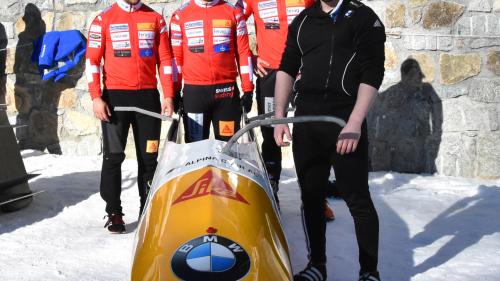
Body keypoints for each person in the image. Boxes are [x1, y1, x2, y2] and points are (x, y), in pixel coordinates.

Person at [273, 0, 386, 280]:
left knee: (357, 198)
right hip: (307, 121)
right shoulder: (304, 20)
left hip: (344, 122)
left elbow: (373, 71)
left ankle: (369, 271)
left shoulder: (363, 17)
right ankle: (317, 265)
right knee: (311, 198)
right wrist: (279, 117)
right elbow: (287, 67)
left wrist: (355, 122)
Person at [237, 0, 335, 220]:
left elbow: (328, 18)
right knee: (272, 135)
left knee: (312, 133)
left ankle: (315, 197)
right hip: (271, 74)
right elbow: (232, 22)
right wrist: (251, 58)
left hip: (305, 73)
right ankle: (273, 192)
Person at [86, 0, 176, 233]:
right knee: (113, 157)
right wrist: (96, 97)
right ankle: (114, 212)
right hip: (115, 100)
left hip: (148, 99)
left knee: (149, 159)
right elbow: (92, 61)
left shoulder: (155, 19)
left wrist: (168, 95)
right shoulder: (103, 19)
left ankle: (147, 210)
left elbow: (165, 60)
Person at [169, 0, 254, 143]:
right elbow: (175, 59)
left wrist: (248, 89)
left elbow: (244, 53)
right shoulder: (180, 15)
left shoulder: (234, 12)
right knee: (195, 150)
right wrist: (175, 91)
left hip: (226, 92)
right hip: (195, 94)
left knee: (228, 149)